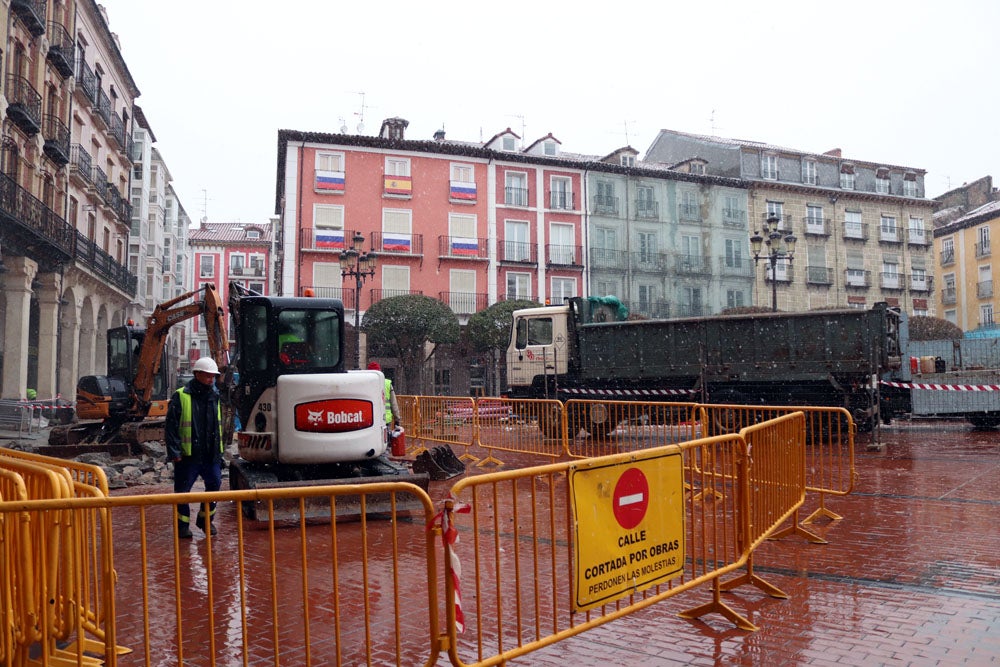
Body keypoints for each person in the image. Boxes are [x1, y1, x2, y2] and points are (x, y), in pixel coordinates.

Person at [166, 356, 224, 538]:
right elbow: (171, 427)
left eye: (213, 376)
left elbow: (217, 426)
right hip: (188, 455)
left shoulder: (215, 397)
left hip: (210, 454)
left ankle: (205, 520)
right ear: (197, 374)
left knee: (214, 485)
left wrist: (219, 452)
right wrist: (175, 452)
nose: (211, 380)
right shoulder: (181, 395)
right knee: (182, 492)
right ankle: (182, 526)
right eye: (208, 376)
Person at [367, 362, 400, 431]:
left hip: (370, 420)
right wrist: (397, 419)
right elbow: (394, 403)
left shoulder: (365, 383)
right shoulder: (387, 383)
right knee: (386, 440)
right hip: (385, 419)